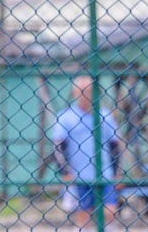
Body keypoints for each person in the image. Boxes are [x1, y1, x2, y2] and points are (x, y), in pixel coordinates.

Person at [53, 75, 122, 231]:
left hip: (105, 173)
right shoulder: (65, 117)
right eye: (82, 91)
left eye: (89, 91)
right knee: (84, 214)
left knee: (110, 211)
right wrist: (65, 171)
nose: (86, 95)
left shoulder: (104, 115)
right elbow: (58, 147)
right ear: (75, 93)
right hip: (80, 175)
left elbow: (115, 145)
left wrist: (117, 171)